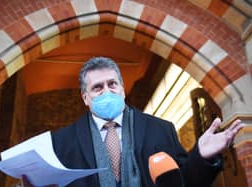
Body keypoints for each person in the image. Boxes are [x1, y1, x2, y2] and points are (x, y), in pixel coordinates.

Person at [22, 57, 244, 187]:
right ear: (85, 97)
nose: (107, 91)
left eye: (112, 84)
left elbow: (184, 182)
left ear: (122, 89)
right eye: (97, 87)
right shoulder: (62, 142)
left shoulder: (161, 129)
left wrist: (201, 156)